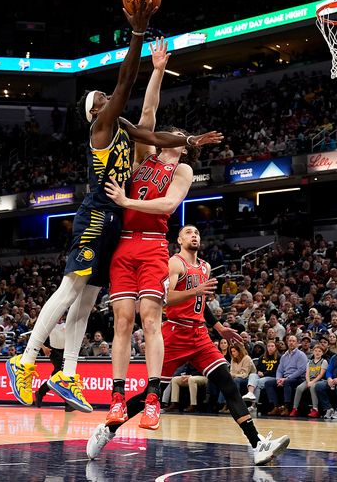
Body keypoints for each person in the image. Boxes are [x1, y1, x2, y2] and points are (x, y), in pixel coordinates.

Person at [5, 4, 220, 413]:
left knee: (86, 301)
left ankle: (67, 373)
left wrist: (190, 141)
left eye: (108, 97)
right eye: (103, 99)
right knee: (70, 289)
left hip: (117, 223)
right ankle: (26, 359)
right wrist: (137, 34)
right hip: (99, 211)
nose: (109, 98)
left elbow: (152, 124)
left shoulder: (127, 131)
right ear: (95, 112)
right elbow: (126, 86)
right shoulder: (102, 127)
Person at [86, 225, 289, 466]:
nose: (195, 235)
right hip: (174, 333)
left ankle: (257, 445)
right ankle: (107, 430)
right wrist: (196, 290)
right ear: (180, 239)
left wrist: (219, 328)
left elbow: (200, 303)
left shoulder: (205, 266)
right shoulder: (174, 262)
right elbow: (167, 297)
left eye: (197, 233)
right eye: (189, 232)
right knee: (150, 396)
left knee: (229, 384)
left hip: (198, 334)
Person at [103, 38, 220, 429]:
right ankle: (118, 397)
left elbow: (168, 207)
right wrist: (156, 70)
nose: (166, 137)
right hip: (123, 247)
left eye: (176, 137)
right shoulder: (143, 157)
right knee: (122, 322)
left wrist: (126, 202)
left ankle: (153, 397)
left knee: (150, 319)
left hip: (153, 246)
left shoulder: (181, 171)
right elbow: (148, 111)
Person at [263, 334, 308, 416]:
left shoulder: (301, 355)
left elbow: (301, 370)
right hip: (285, 378)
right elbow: (280, 370)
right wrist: (278, 379)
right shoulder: (284, 356)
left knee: (287, 382)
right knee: (268, 383)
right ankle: (276, 406)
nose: (291, 343)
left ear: (297, 343)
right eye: (290, 341)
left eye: (293, 341)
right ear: (287, 342)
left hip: (298, 378)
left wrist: (286, 378)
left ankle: (287, 407)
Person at [290, 345, 328, 418]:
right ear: (313, 352)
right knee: (299, 388)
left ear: (322, 353)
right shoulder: (309, 362)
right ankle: (295, 408)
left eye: (319, 351)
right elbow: (307, 374)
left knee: (312, 387)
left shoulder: (324, 361)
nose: (317, 353)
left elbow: (321, 374)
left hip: (318, 380)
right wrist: (308, 382)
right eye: (316, 351)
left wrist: (312, 382)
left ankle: (315, 409)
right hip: (309, 380)